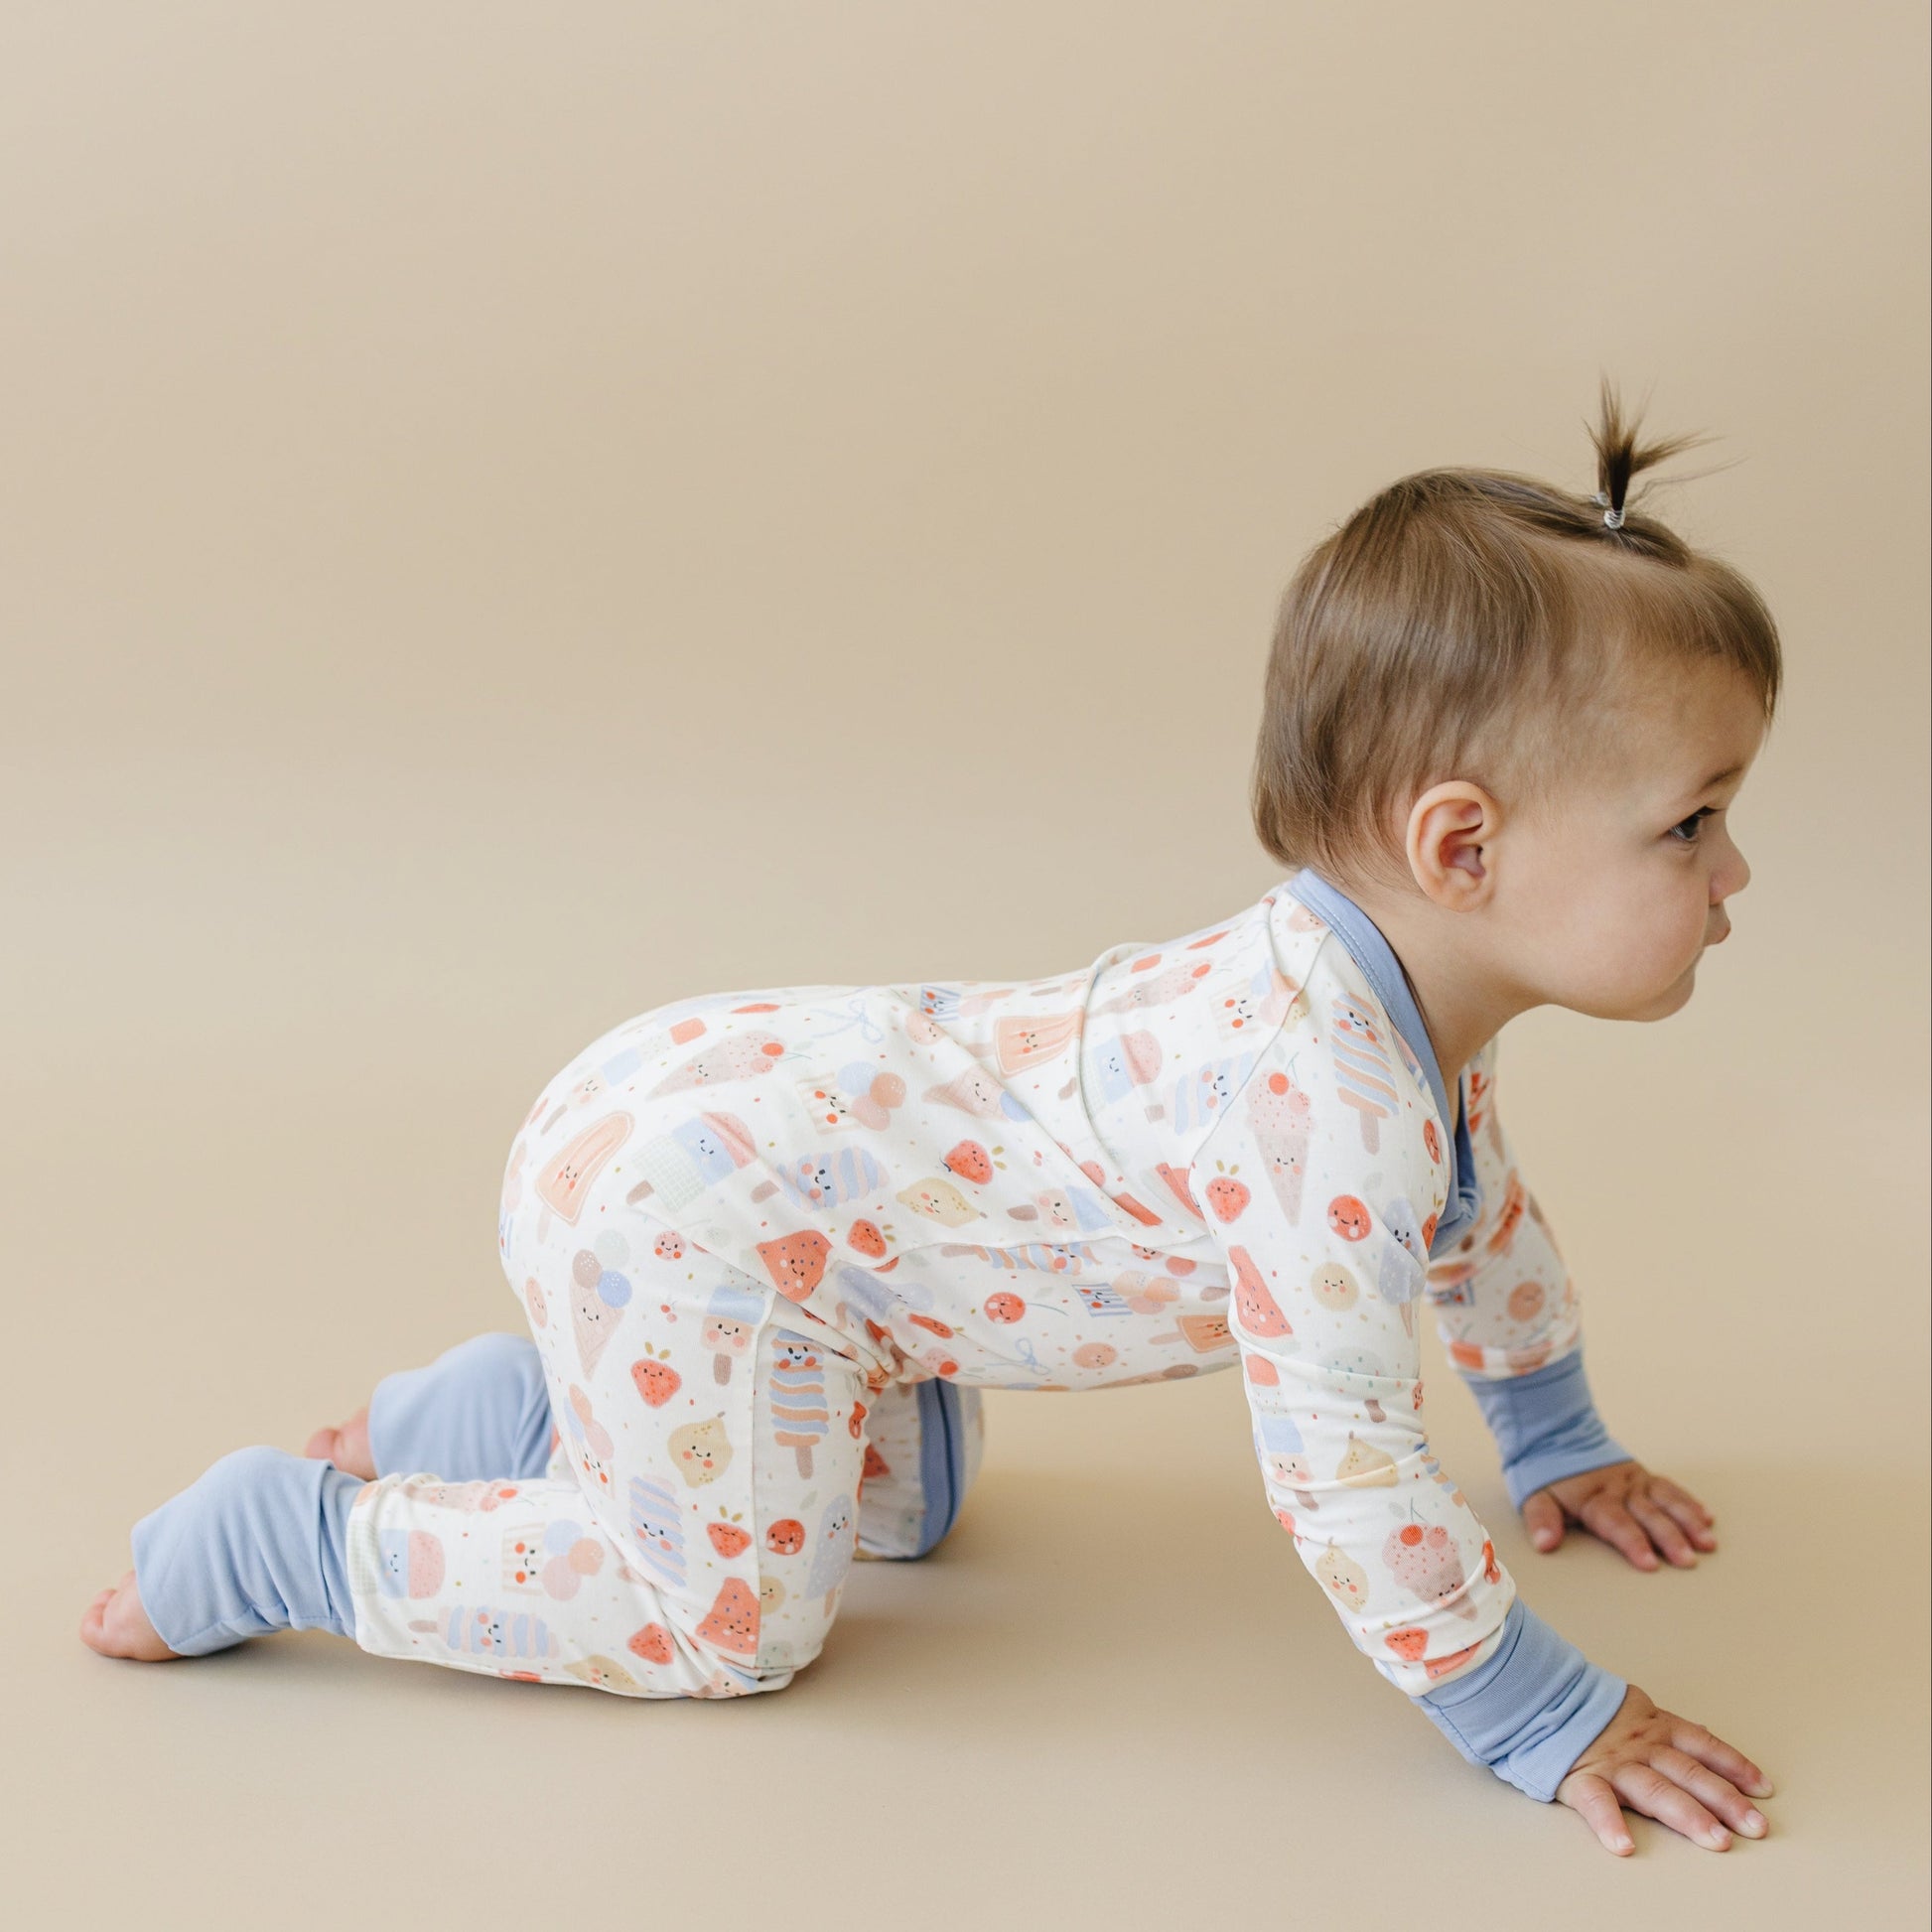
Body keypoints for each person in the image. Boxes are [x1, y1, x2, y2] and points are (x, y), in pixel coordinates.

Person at [82, 379, 1778, 1857]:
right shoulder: (1316, 1101)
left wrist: (1553, 1433)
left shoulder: (1385, 1010)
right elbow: (1345, 1473)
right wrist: (1539, 1709)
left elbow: (1475, 1214)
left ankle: (502, 1409)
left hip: (775, 1188)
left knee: (914, 1500)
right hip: (692, 1206)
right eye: (1689, 825)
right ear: (1460, 848)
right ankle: (299, 1540)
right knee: (728, 1622)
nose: (1733, 875)